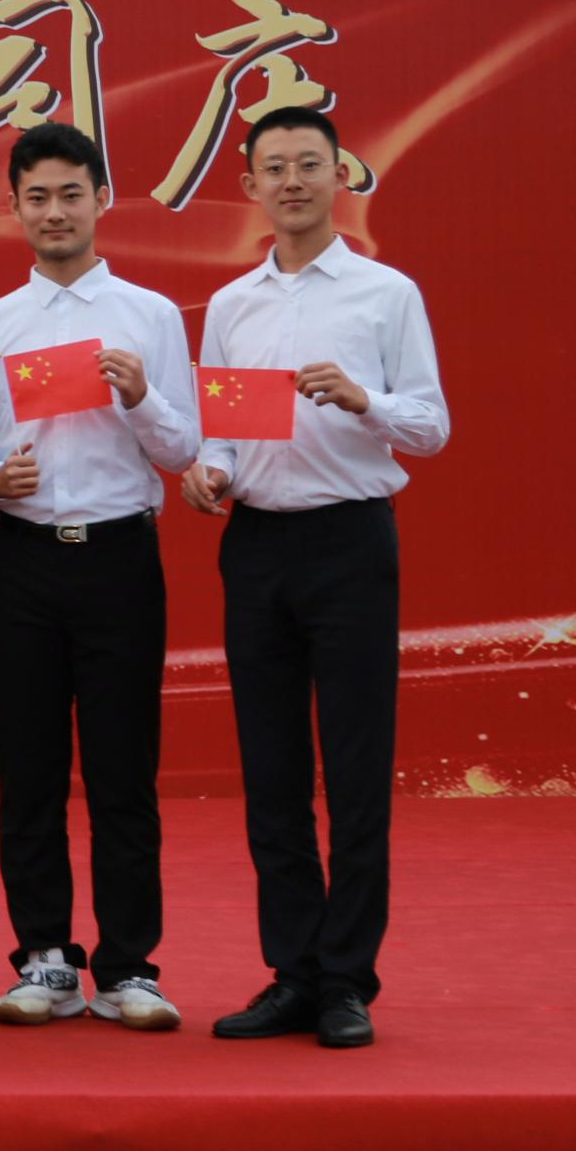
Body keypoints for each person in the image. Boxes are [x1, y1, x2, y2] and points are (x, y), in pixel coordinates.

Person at [184, 107, 449, 1050]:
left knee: (356, 765)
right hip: (257, 545)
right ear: (250, 185)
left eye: (309, 164)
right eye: (274, 167)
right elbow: (221, 428)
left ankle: (347, 979)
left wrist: (363, 398)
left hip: (349, 543)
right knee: (272, 771)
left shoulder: (386, 293)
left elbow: (431, 425)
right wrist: (209, 471)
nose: (292, 181)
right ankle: (292, 971)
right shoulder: (231, 305)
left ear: (342, 175)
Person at [0, 124, 198, 1032]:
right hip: (22, 559)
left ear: (102, 198)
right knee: (30, 767)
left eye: (70, 193)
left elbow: (185, 447)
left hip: (120, 556)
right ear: (14, 208)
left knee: (123, 768)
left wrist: (139, 393)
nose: (54, 211)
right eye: (37, 197)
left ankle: (131, 965)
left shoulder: (151, 314)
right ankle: (45, 959)